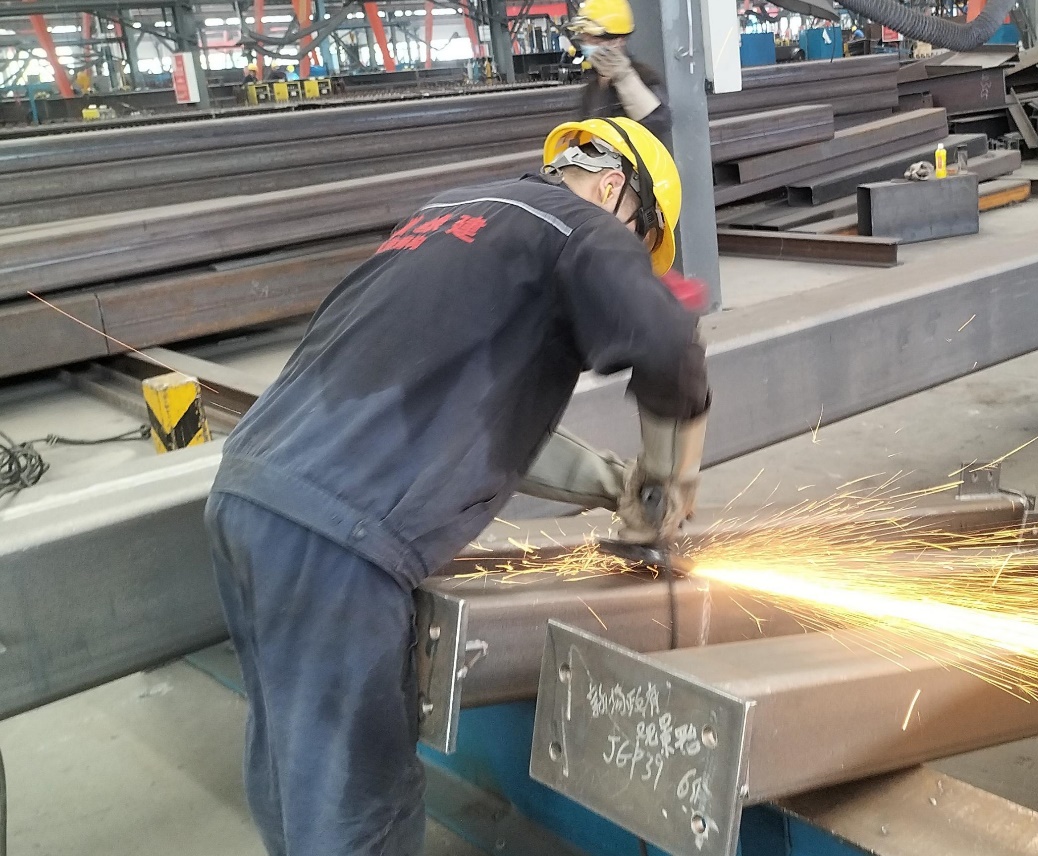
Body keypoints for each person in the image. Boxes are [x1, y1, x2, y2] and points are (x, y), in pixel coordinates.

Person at [203, 116, 709, 856]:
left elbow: (469, 422)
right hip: (338, 537)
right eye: (641, 238)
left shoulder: (447, 215)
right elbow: (669, 341)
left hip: (249, 495)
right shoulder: (580, 228)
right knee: (356, 806)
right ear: (614, 189)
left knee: (294, 766)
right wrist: (668, 486)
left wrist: (615, 486)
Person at [567, 0, 670, 140]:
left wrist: (625, 79)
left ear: (618, 41)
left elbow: (658, 123)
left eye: (594, 40)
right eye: (585, 39)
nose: (587, 45)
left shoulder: (645, 76)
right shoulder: (593, 84)